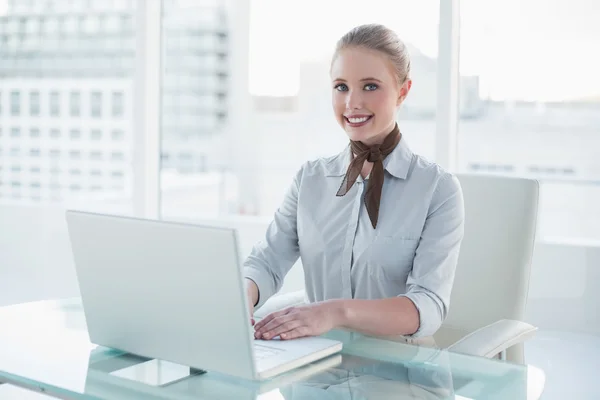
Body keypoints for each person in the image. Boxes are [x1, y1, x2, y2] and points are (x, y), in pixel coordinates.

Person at [245, 23, 465, 342]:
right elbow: (267, 261)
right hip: (312, 369)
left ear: (403, 91)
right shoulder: (310, 179)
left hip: (397, 375)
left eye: (370, 86)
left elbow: (427, 306)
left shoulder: (437, 190)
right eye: (341, 87)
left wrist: (336, 312)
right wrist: (243, 296)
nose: (352, 103)